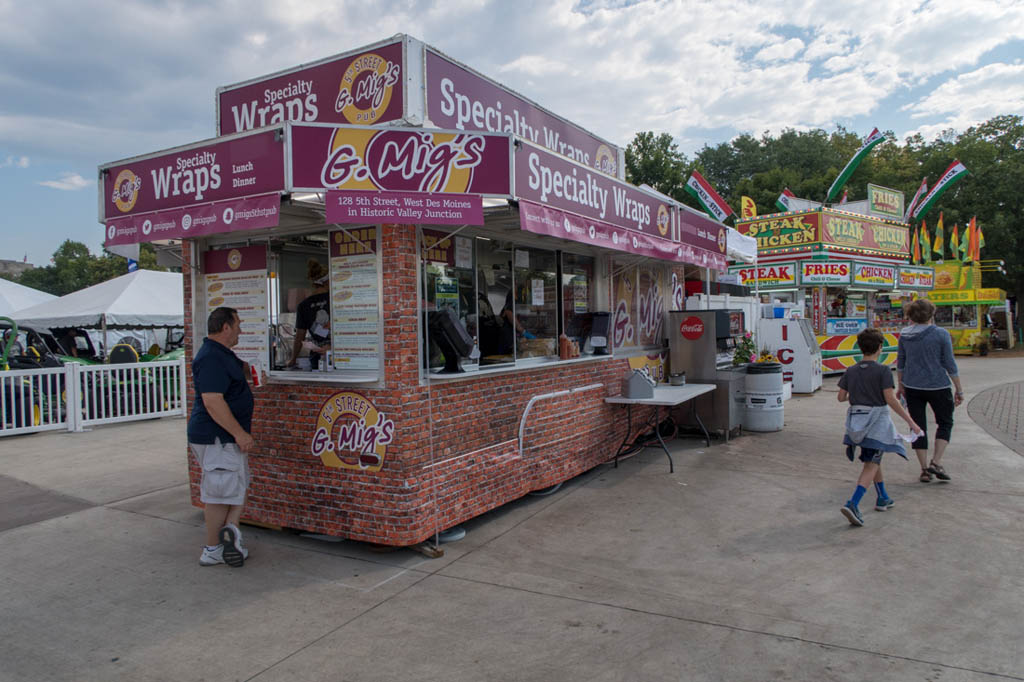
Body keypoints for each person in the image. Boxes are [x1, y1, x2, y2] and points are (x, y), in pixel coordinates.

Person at [188, 306, 255, 567]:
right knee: (219, 492)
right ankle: (213, 549)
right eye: (238, 323)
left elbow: (244, 370)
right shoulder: (210, 358)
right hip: (217, 438)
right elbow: (213, 401)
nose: (241, 328)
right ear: (225, 327)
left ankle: (231, 535)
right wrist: (239, 433)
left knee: (238, 485)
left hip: (226, 439)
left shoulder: (223, 354)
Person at [837, 328, 920, 526]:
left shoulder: (851, 370)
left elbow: (841, 397)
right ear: (880, 347)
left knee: (874, 459)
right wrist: (911, 422)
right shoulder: (883, 370)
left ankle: (882, 497)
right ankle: (853, 503)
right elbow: (890, 399)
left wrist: (856, 394)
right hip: (876, 424)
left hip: (857, 424)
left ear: (859, 347)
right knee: (871, 464)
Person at [896, 298, 964, 483]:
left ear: (911, 315)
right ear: (931, 314)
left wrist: (900, 385)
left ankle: (924, 469)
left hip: (912, 386)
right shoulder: (941, 334)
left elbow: (900, 362)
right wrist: (959, 389)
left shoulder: (904, 334)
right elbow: (949, 363)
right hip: (939, 386)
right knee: (945, 422)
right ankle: (937, 461)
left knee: (917, 426)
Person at [289, 259, 331, 370]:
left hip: (317, 359)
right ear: (327, 281)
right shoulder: (334, 300)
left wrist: (293, 359)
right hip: (338, 358)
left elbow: (299, 337)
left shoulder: (303, 305)